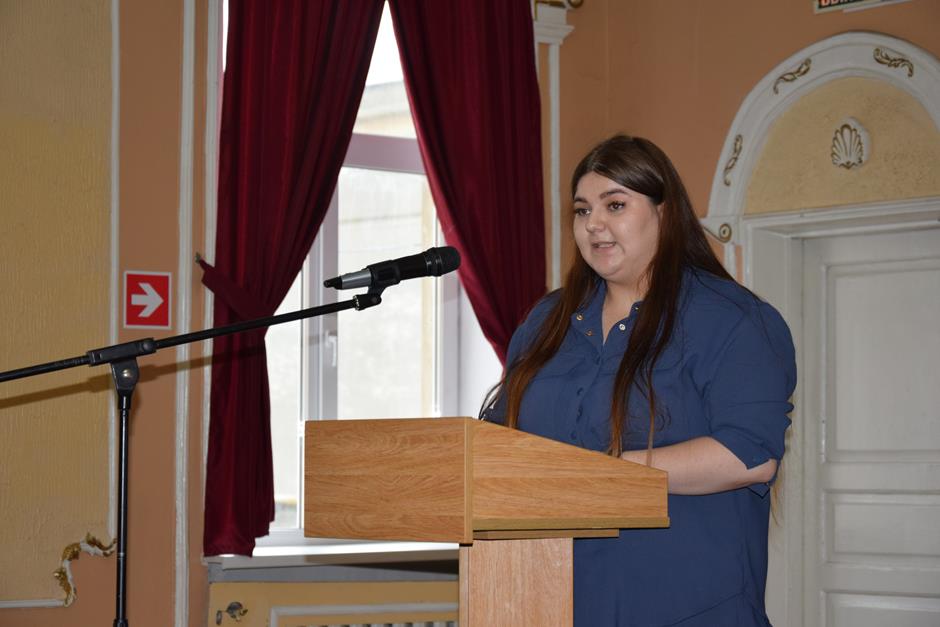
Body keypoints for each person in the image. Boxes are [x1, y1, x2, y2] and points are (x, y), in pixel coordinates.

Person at [482, 135, 797, 626]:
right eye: (582, 210)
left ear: (664, 214)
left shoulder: (733, 319)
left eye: (615, 205)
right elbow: (499, 441)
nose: (594, 224)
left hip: (688, 607)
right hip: (547, 602)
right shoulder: (546, 321)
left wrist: (602, 473)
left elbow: (749, 455)